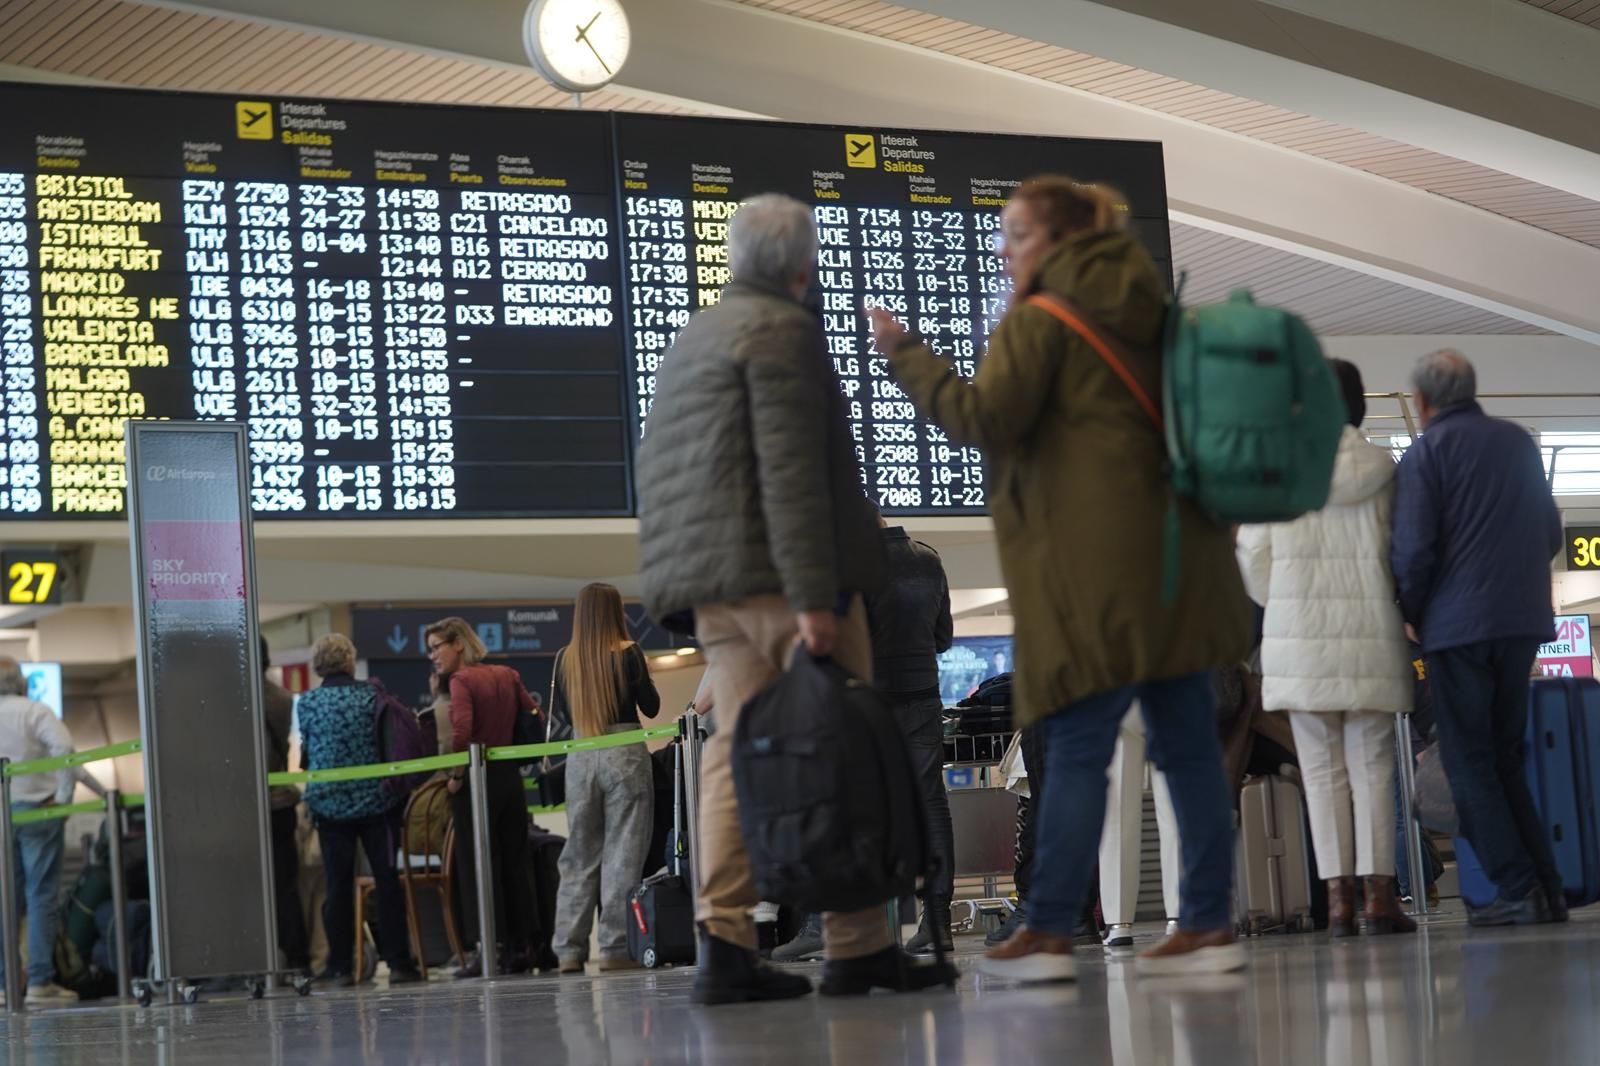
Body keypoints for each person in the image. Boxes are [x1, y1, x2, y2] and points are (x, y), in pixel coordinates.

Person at [868, 176, 1252, 980]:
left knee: (1074, 752)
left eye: (1016, 234)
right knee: (1185, 754)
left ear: (1061, 241)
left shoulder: (1042, 318)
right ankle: (1209, 925)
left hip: (1094, 583)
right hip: (1181, 573)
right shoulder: (1155, 313)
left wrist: (906, 354)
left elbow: (983, 419)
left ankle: (1045, 931)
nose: (1005, 250)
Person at [637, 192, 955, 1004]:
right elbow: (789, 468)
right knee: (838, 743)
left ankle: (725, 948)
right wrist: (816, 596)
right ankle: (857, 947)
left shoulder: (692, 339)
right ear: (805, 269)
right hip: (789, 584)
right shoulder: (783, 333)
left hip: (717, 589)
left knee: (733, 756)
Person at [1236, 359, 1416, 938]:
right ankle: (1381, 899)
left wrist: (1287, 599)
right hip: (1370, 640)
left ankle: (1337, 903)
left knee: (1319, 772)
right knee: (1372, 768)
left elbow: (1252, 562)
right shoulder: (1383, 469)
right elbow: (1402, 553)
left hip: (1302, 643)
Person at [1391, 349, 1566, 927]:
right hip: (1521, 623)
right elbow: (1549, 532)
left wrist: (1411, 611)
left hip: (1458, 628)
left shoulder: (1427, 453)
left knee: (1468, 763)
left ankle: (1517, 887)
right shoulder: (1517, 442)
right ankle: (1545, 888)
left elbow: (1414, 549)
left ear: (1421, 401)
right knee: (1506, 759)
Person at [294, 635, 421, 987]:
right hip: (376, 803)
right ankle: (398, 963)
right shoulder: (370, 696)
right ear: (350, 661)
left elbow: (309, 749)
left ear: (319, 665)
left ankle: (339, 966)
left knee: (338, 887)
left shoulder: (308, 702)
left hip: (329, 805)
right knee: (386, 882)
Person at [550, 582, 662, 974]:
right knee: (623, 853)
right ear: (616, 611)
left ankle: (568, 950)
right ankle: (615, 948)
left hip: (581, 756)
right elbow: (650, 707)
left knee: (579, 855)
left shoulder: (565, 659)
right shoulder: (629, 653)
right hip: (625, 753)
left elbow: (565, 715)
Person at [425, 616, 540, 974]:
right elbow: (533, 714)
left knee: (477, 864)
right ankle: (523, 946)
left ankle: (487, 948)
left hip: (476, 779)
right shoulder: (507, 674)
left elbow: (461, 734)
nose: (433, 656)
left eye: (436, 647)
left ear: (458, 643)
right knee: (515, 863)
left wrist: (457, 777)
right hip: (509, 779)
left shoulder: (461, 680)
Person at [0, 656, 79, 1004]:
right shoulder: (35, 711)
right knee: (41, 895)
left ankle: (5, 984)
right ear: (22, 681)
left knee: (7, 900)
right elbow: (64, 748)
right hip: (38, 811)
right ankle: (39, 981)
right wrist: (63, 799)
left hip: (3, 816)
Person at [260, 638, 311, 976]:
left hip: (249, 806)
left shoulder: (236, 699)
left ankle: (260, 958)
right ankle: (297, 958)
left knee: (251, 885)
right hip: (282, 802)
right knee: (286, 885)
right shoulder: (280, 697)